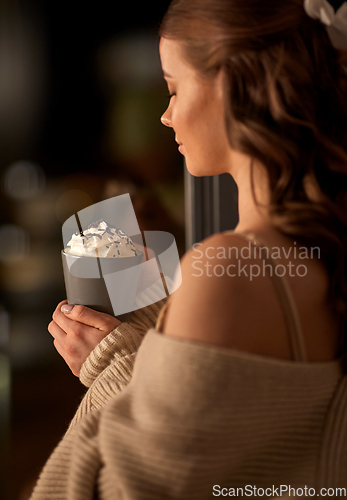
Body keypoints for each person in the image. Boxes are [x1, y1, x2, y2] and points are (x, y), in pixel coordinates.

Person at [30, 0, 347, 498]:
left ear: (233, 83)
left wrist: (115, 363)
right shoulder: (325, 251)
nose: (165, 114)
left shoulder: (225, 272)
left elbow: (119, 491)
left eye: (174, 88)